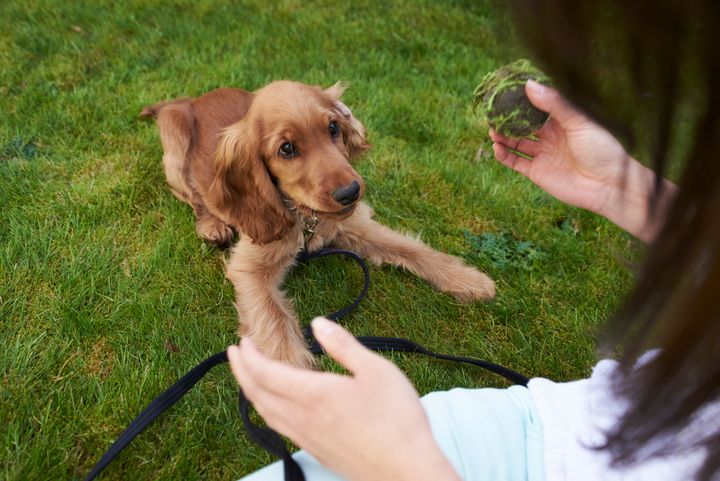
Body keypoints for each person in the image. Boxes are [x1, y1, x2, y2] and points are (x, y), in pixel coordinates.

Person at [229, 1, 720, 480]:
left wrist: (442, 268)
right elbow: (249, 268)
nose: (344, 179)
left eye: (332, 130)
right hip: (559, 420)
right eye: (289, 150)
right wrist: (617, 182)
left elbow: (366, 231)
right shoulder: (247, 174)